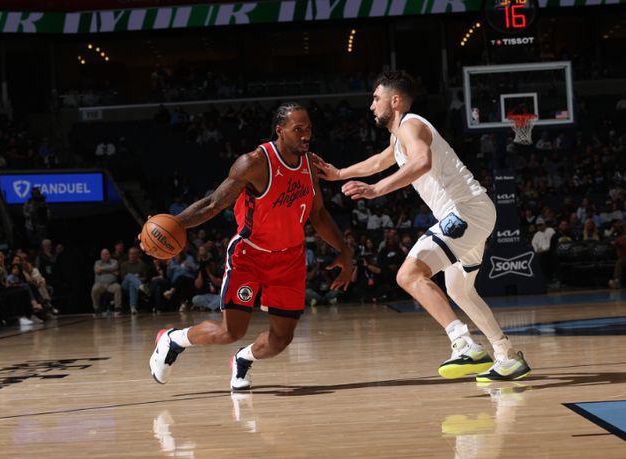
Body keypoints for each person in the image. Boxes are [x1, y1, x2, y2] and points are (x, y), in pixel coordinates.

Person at [312, 70, 530, 382]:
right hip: (472, 214)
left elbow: (421, 162)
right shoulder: (399, 136)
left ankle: (463, 343)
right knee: (459, 290)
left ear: (395, 101)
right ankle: (507, 355)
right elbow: (379, 162)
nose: (371, 105)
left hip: (464, 212)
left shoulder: (411, 125)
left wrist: (376, 189)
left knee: (409, 275)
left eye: (376, 98)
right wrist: (339, 174)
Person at [145, 102, 353, 390]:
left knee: (281, 340)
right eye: (298, 129)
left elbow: (318, 214)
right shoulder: (254, 162)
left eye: (308, 129)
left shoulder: (310, 164)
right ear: (280, 130)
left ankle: (242, 359)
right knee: (231, 331)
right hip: (250, 255)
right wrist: (174, 225)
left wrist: (345, 252)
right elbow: (213, 203)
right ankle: (173, 340)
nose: (306, 135)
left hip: (290, 259)